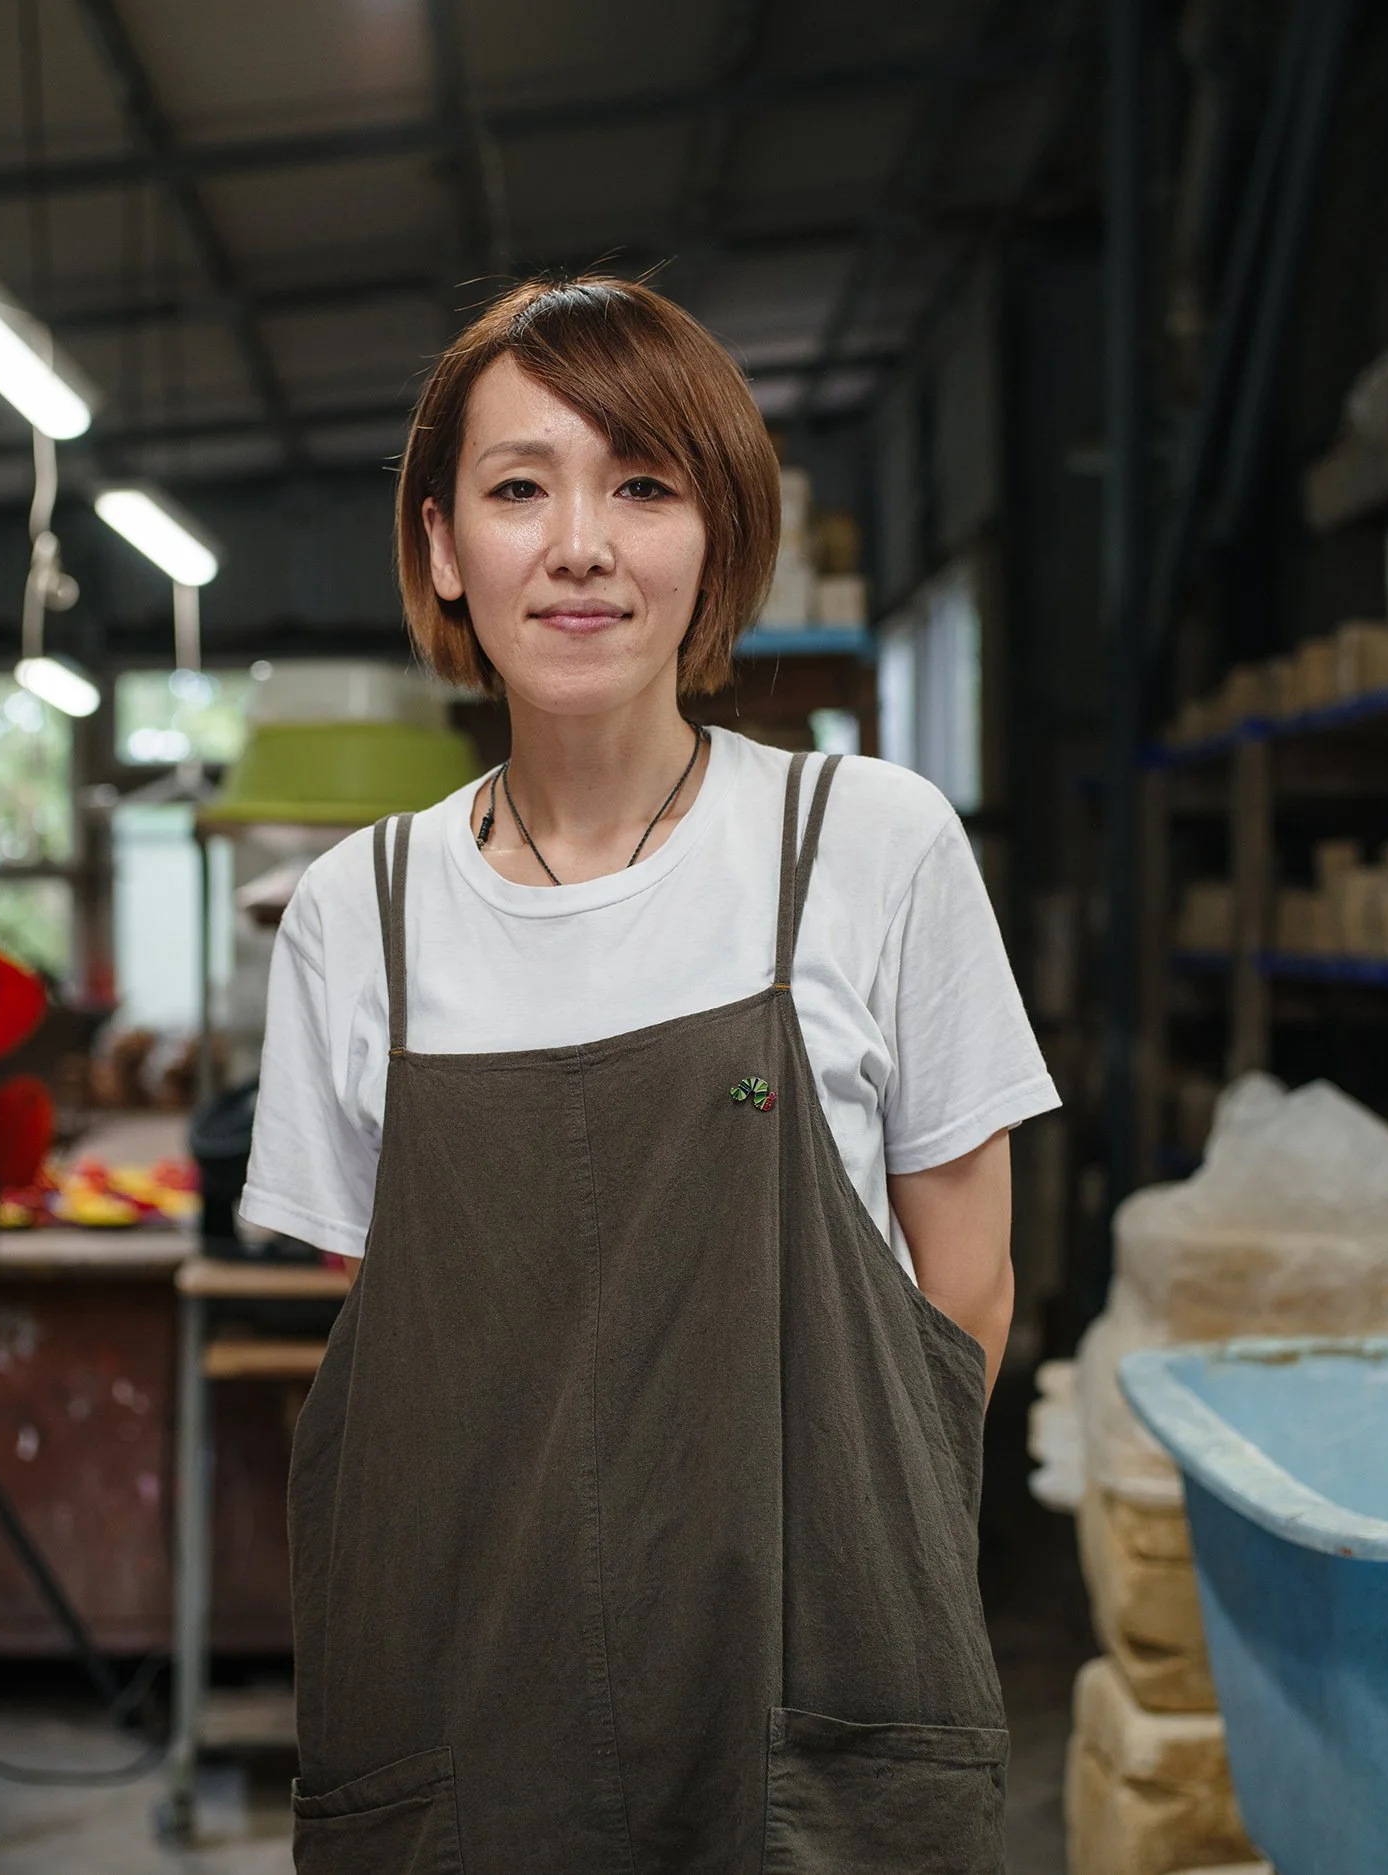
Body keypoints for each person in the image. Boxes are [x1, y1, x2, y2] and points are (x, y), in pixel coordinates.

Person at [242, 275, 1058, 1873]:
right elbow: (400, 1346)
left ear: (718, 536)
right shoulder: (361, 918)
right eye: (519, 487)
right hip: (470, 1738)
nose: (581, 544)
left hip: (815, 1736)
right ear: (440, 547)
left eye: (643, 484)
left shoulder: (869, 844)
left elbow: (960, 1304)